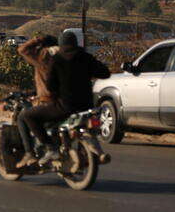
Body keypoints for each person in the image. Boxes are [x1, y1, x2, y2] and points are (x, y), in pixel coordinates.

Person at [20, 30, 110, 166]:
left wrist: (56, 95)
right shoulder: (85, 57)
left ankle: (51, 148)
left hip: (66, 106)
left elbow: (51, 85)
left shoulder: (56, 59)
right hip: (87, 105)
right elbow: (105, 73)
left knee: (28, 116)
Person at [14, 34, 58, 168]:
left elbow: (22, 50)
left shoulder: (42, 58)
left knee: (23, 117)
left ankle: (30, 153)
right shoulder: (66, 59)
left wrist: (37, 39)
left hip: (48, 102)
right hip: (68, 101)